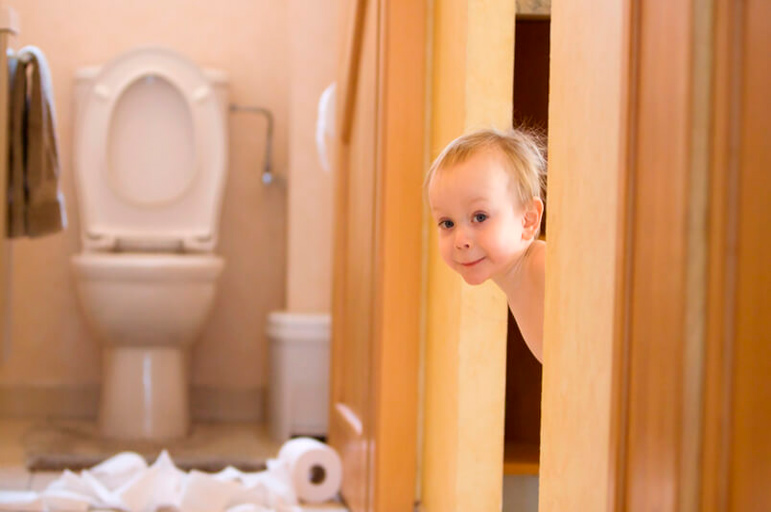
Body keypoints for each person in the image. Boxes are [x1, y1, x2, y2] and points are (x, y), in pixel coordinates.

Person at [426, 127, 546, 362]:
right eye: (447, 223)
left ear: (528, 219)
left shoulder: (543, 268)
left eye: (480, 217)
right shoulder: (518, 282)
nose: (461, 241)